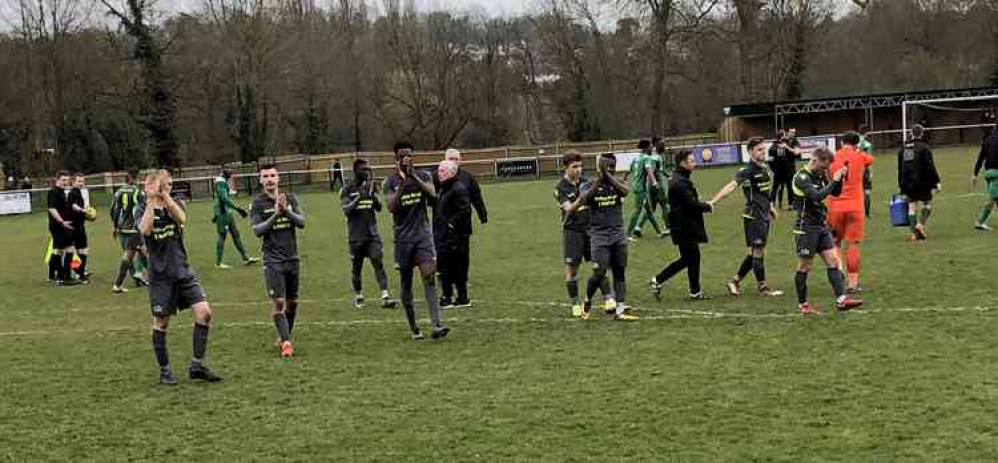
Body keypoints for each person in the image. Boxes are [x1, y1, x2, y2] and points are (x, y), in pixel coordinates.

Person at [137, 170, 222, 385]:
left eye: (170, 184)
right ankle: (165, 371)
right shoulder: (142, 208)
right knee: (161, 322)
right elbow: (145, 230)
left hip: (183, 271)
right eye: (165, 184)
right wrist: (150, 200)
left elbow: (182, 219)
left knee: (204, 313)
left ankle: (197, 365)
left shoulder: (176, 204)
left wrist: (165, 197)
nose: (169, 187)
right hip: (161, 277)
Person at [383, 142, 450, 340]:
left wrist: (413, 177)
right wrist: (404, 184)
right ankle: (413, 327)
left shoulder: (424, 175)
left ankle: (437, 325)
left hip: (423, 236)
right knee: (406, 284)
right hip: (403, 239)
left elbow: (433, 194)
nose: (407, 158)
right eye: (403, 156)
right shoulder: (389, 182)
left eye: (410, 155)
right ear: (396, 158)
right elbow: (391, 207)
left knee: (429, 276)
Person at [791, 148, 863, 315]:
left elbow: (835, 192)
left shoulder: (821, 174)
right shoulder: (801, 178)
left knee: (834, 262)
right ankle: (803, 305)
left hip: (821, 226)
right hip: (806, 228)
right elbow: (817, 196)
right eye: (824, 167)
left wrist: (839, 178)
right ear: (815, 160)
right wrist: (834, 180)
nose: (825, 170)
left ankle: (841, 300)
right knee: (804, 266)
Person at [708, 136, 783, 298]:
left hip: (763, 215)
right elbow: (731, 186)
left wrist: (770, 207)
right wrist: (714, 201)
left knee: (754, 252)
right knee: (758, 252)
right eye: (759, 150)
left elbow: (765, 191)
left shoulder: (765, 168)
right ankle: (763, 288)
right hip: (753, 216)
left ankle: (734, 281)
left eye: (764, 149)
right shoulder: (746, 171)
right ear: (750, 152)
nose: (763, 152)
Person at [566, 153, 635, 320]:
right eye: (607, 167)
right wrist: (600, 178)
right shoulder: (588, 184)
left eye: (612, 167)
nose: (610, 170)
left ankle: (619, 309)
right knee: (599, 272)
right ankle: (587, 300)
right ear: (599, 168)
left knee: (619, 272)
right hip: (599, 236)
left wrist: (608, 176)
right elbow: (584, 199)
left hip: (618, 233)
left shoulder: (617, 183)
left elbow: (625, 192)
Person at [250, 163, 306, 358]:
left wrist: (286, 211)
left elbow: (302, 222)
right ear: (261, 180)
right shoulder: (257, 203)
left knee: (293, 302)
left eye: (272, 175)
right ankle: (287, 343)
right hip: (272, 260)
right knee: (279, 302)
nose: (269, 179)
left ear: (278, 178)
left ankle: (284, 335)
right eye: (265, 176)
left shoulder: (290, 198)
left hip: (292, 257)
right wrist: (276, 213)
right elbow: (258, 231)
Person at [555, 151, 613, 318]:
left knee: (599, 264)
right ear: (565, 168)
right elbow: (568, 209)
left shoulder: (587, 182)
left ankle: (608, 297)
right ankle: (574, 302)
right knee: (572, 269)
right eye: (574, 167)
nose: (578, 170)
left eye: (580, 166)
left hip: (591, 229)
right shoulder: (561, 187)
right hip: (573, 231)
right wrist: (582, 197)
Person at [650, 150, 713, 300]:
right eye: (691, 161)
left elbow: (688, 201)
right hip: (684, 225)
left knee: (688, 258)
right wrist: (707, 206)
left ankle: (660, 281)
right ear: (682, 163)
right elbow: (690, 204)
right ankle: (692, 291)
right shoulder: (680, 182)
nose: (695, 163)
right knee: (692, 258)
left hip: (683, 224)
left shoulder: (679, 178)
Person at [341, 159, 396, 309]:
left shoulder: (372, 187)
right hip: (356, 236)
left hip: (372, 235)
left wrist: (372, 194)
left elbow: (379, 208)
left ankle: (385, 296)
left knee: (378, 263)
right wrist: (359, 196)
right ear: (355, 171)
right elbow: (346, 209)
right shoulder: (347, 188)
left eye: (368, 169)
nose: (367, 172)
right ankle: (359, 296)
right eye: (363, 169)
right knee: (356, 268)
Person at [827, 131, 874, 292]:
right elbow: (870, 159)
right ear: (856, 144)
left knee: (835, 243)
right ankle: (853, 283)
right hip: (855, 207)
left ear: (841, 143)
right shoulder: (860, 156)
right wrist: (859, 151)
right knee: (853, 244)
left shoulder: (833, 157)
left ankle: (839, 276)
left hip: (835, 206)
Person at [441, 148, 488, 302]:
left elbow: (476, 197)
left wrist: (482, 214)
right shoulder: (440, 177)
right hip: (445, 227)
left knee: (462, 256)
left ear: (460, 160)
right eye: (451, 158)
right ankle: (449, 283)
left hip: (462, 226)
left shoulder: (467, 178)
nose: (454, 161)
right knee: (446, 257)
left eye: (456, 158)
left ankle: (461, 282)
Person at [434, 160, 473, 308]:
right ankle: (453, 296)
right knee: (447, 267)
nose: (439, 173)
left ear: (452, 172)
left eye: (443, 171)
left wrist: (451, 224)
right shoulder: (445, 188)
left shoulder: (458, 188)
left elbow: (465, 210)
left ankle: (453, 297)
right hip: (445, 235)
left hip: (454, 237)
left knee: (453, 267)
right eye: (439, 170)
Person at [897, 124, 941, 242]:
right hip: (922, 182)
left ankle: (913, 234)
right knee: (927, 204)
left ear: (911, 133)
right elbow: (930, 166)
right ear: (922, 133)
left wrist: (901, 185)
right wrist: (936, 181)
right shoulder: (924, 147)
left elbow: (900, 168)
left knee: (911, 207)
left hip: (907, 182)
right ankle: (920, 225)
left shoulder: (903, 147)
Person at [110, 168, 149, 293]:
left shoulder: (119, 191)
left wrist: (116, 225)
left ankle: (147, 276)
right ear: (136, 177)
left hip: (123, 227)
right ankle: (117, 284)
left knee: (143, 251)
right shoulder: (138, 192)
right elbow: (143, 210)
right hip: (135, 228)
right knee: (129, 255)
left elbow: (114, 210)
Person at [213, 167, 258, 268]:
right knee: (222, 236)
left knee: (236, 234)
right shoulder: (221, 183)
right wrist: (237, 208)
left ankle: (246, 258)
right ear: (226, 176)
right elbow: (224, 199)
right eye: (229, 176)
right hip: (222, 212)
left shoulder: (222, 181)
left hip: (226, 212)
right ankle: (218, 263)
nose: (230, 178)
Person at [46, 171, 79, 286]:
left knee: (64, 250)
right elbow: (52, 209)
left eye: (67, 180)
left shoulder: (62, 192)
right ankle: (62, 278)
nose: (66, 182)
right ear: (57, 179)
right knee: (63, 250)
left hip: (65, 225)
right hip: (57, 225)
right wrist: (61, 221)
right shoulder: (53, 192)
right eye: (63, 180)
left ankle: (60, 276)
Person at [625, 140, 662, 239]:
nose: (652, 148)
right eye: (650, 147)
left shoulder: (636, 158)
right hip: (640, 189)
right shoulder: (646, 158)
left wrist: (624, 179)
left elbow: (629, 170)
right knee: (637, 210)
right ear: (646, 148)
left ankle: (659, 233)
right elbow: (649, 170)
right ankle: (628, 234)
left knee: (649, 211)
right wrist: (654, 182)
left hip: (639, 187)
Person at [769, 128, 803, 210]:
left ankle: (772, 204)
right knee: (789, 186)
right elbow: (797, 154)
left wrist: (773, 169)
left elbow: (770, 160)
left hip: (778, 170)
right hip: (788, 169)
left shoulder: (773, 146)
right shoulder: (789, 144)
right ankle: (790, 204)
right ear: (784, 136)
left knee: (776, 187)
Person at [973, 126, 998, 231]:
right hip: (997, 173)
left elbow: (980, 158)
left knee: (996, 197)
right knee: (992, 199)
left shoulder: (987, 140)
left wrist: (975, 174)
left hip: (988, 173)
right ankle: (980, 222)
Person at [67, 173, 91, 282]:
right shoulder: (72, 193)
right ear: (73, 182)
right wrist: (83, 211)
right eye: (79, 181)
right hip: (74, 226)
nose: (81, 183)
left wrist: (88, 214)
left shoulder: (79, 192)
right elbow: (73, 206)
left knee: (81, 250)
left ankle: (78, 271)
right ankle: (79, 273)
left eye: (82, 181)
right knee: (82, 250)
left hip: (80, 225)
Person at [647, 137, 671, 234]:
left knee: (651, 208)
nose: (663, 146)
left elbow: (660, 170)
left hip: (650, 185)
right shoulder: (655, 156)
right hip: (657, 185)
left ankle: (638, 227)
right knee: (664, 205)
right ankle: (668, 227)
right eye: (661, 144)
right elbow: (652, 170)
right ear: (655, 144)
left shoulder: (652, 155)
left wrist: (669, 175)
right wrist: (655, 182)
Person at [857, 125, 874, 217]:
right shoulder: (867, 144)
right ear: (866, 133)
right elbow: (869, 160)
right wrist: (870, 173)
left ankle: (857, 212)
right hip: (864, 170)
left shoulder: (854, 143)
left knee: (856, 191)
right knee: (866, 191)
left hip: (855, 169)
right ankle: (867, 213)